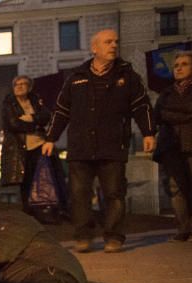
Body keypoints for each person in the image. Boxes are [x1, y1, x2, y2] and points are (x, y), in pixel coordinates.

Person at [42, 29, 155, 253]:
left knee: (114, 193)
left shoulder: (128, 76)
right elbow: (61, 110)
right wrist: (51, 138)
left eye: (116, 42)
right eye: (108, 42)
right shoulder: (76, 77)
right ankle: (83, 236)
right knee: (79, 194)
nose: (114, 45)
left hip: (112, 145)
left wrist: (149, 133)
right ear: (95, 48)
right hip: (80, 147)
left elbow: (142, 106)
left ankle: (113, 237)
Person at [153, 51, 192, 242]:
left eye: (184, 64)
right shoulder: (166, 93)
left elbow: (167, 114)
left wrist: (172, 114)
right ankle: (183, 228)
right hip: (171, 147)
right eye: (176, 65)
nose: (179, 68)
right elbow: (158, 115)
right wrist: (186, 115)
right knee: (176, 188)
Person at [1, 75, 51, 209]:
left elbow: (46, 116)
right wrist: (36, 125)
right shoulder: (9, 103)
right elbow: (13, 124)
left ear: (29, 87)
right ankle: (28, 207)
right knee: (26, 179)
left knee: (42, 177)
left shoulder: (35, 100)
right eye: (17, 84)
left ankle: (43, 206)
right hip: (21, 147)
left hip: (39, 144)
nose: (19, 87)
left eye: (23, 84)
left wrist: (31, 117)